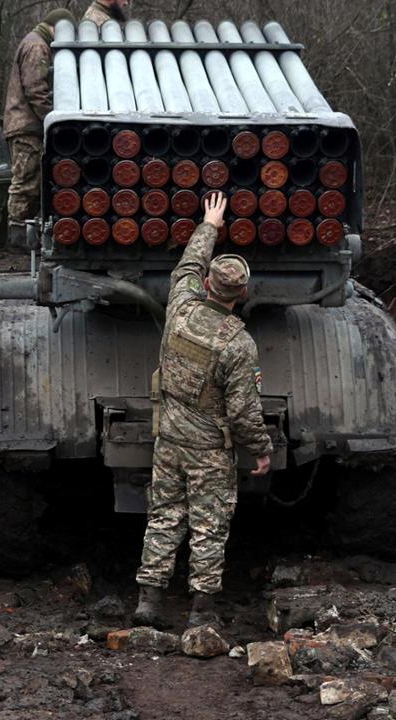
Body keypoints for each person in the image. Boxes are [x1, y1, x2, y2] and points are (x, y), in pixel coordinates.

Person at [133, 192, 274, 630]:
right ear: (244, 293)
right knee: (208, 526)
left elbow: (188, 266)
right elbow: (244, 411)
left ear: (209, 285)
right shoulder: (237, 344)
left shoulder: (180, 308)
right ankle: (202, 611)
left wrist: (210, 224)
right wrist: (261, 450)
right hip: (210, 450)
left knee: (163, 516)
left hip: (169, 439)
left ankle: (149, 603)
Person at [3, 8, 75, 231]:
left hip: (26, 125)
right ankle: (17, 231)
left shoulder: (36, 42)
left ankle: (23, 231)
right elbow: (36, 90)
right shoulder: (37, 46)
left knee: (32, 182)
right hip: (27, 127)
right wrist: (55, 123)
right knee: (26, 182)